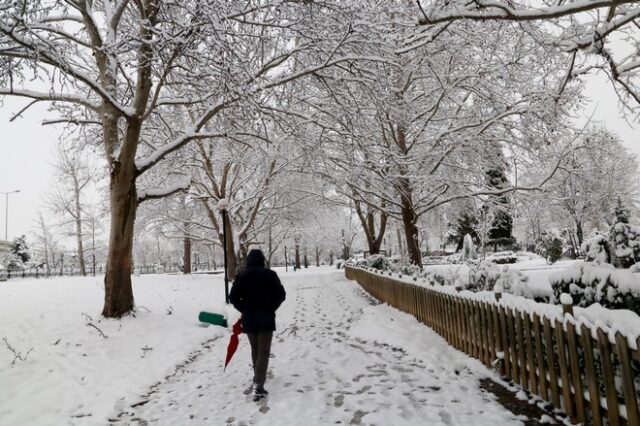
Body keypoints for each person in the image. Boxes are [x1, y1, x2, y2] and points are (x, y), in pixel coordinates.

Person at [229, 249, 286, 401]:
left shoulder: (242, 276)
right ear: (262, 260)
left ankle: (257, 379)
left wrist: (244, 309)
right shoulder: (270, 275)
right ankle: (258, 384)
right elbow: (281, 295)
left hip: (249, 319)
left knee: (255, 350)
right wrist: (271, 307)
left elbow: (233, 297)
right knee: (264, 351)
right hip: (266, 318)